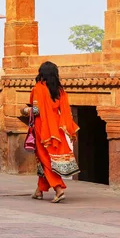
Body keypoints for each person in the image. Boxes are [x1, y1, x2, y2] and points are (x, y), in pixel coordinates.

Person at [22, 61, 80, 204]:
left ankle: (59, 189)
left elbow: (36, 110)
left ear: (41, 73)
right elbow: (65, 111)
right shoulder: (60, 91)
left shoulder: (39, 89)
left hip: (43, 129)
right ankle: (39, 191)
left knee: (46, 160)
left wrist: (24, 110)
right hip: (57, 128)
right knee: (48, 158)